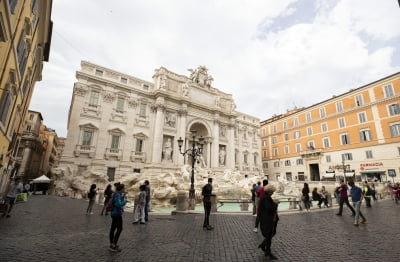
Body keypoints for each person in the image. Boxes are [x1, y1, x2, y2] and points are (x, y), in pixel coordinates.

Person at [257, 184, 280, 260]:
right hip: (267, 220)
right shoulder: (266, 198)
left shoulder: (265, 197)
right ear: (269, 191)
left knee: (270, 234)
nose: (273, 193)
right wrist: (276, 204)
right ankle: (268, 251)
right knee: (269, 235)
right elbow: (269, 208)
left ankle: (264, 246)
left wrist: (273, 202)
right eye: (272, 192)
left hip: (267, 219)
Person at [109, 183, 128, 252]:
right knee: (119, 229)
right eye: (124, 188)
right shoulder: (117, 195)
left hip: (114, 213)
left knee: (113, 228)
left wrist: (123, 197)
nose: (124, 189)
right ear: (121, 189)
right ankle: (113, 245)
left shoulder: (117, 194)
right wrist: (125, 201)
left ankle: (112, 244)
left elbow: (118, 201)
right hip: (117, 214)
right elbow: (118, 204)